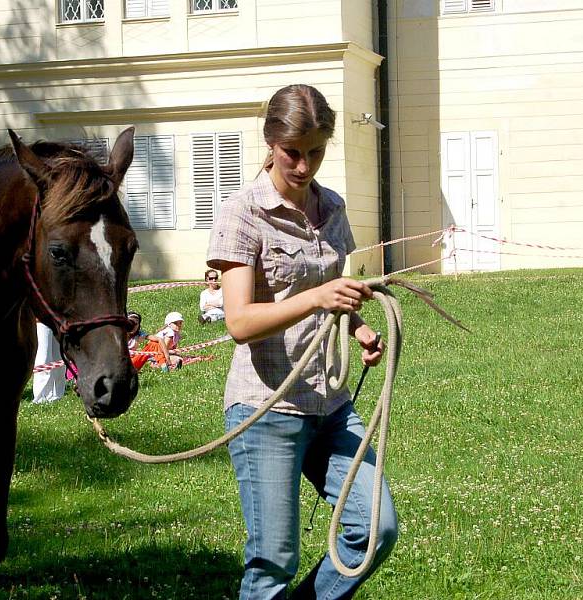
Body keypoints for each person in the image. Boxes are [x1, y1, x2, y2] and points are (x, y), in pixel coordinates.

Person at [206, 84, 397, 599]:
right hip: (266, 407)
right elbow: (241, 322)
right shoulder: (242, 213)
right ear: (270, 142)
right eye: (293, 151)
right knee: (273, 565)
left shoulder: (331, 207)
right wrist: (319, 299)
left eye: (315, 152)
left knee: (375, 527)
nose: (304, 165)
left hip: (330, 404)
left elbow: (328, 290)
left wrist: (358, 327)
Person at [32, 320, 66, 404]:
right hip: (41, 319)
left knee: (60, 359)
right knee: (43, 358)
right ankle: (40, 398)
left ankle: (58, 395)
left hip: (57, 319)